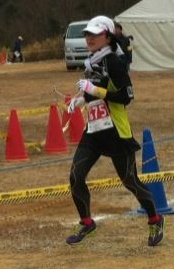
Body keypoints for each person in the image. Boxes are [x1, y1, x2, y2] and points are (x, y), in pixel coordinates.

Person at [64, 16, 163, 247]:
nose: (89, 38)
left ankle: (155, 219)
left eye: (95, 34)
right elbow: (96, 91)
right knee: (76, 176)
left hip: (116, 133)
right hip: (94, 131)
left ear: (107, 37)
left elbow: (126, 96)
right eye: (87, 34)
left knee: (130, 182)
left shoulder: (114, 62)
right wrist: (81, 100)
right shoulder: (91, 62)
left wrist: (94, 91)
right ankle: (86, 222)